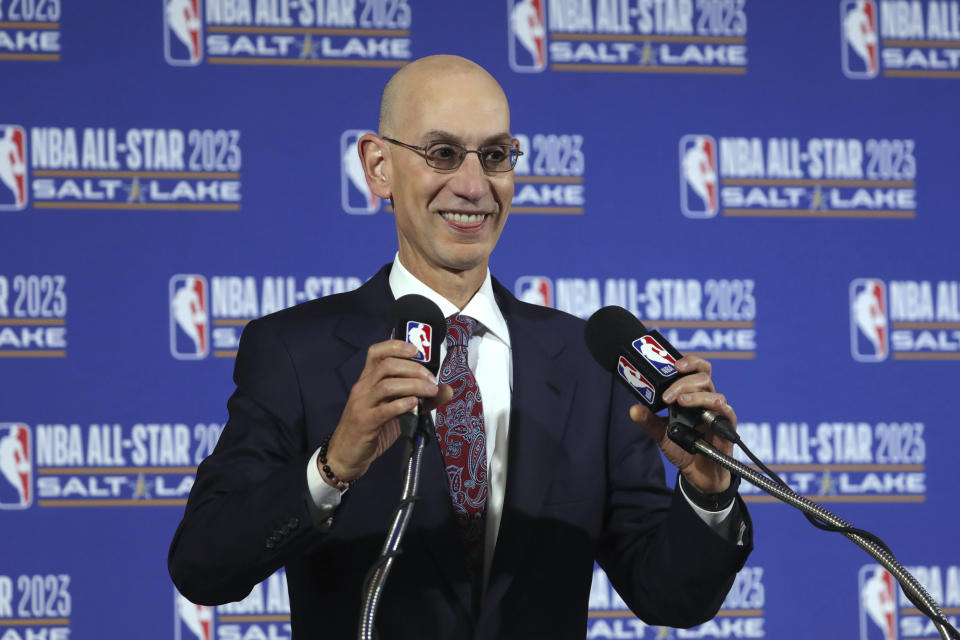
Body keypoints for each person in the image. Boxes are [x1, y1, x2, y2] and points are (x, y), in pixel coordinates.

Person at [168, 54, 752, 639]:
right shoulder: (296, 352)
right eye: (442, 153)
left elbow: (672, 597)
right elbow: (203, 567)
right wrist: (332, 466)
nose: (474, 186)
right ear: (378, 166)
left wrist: (708, 490)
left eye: (495, 156)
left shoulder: (586, 362)